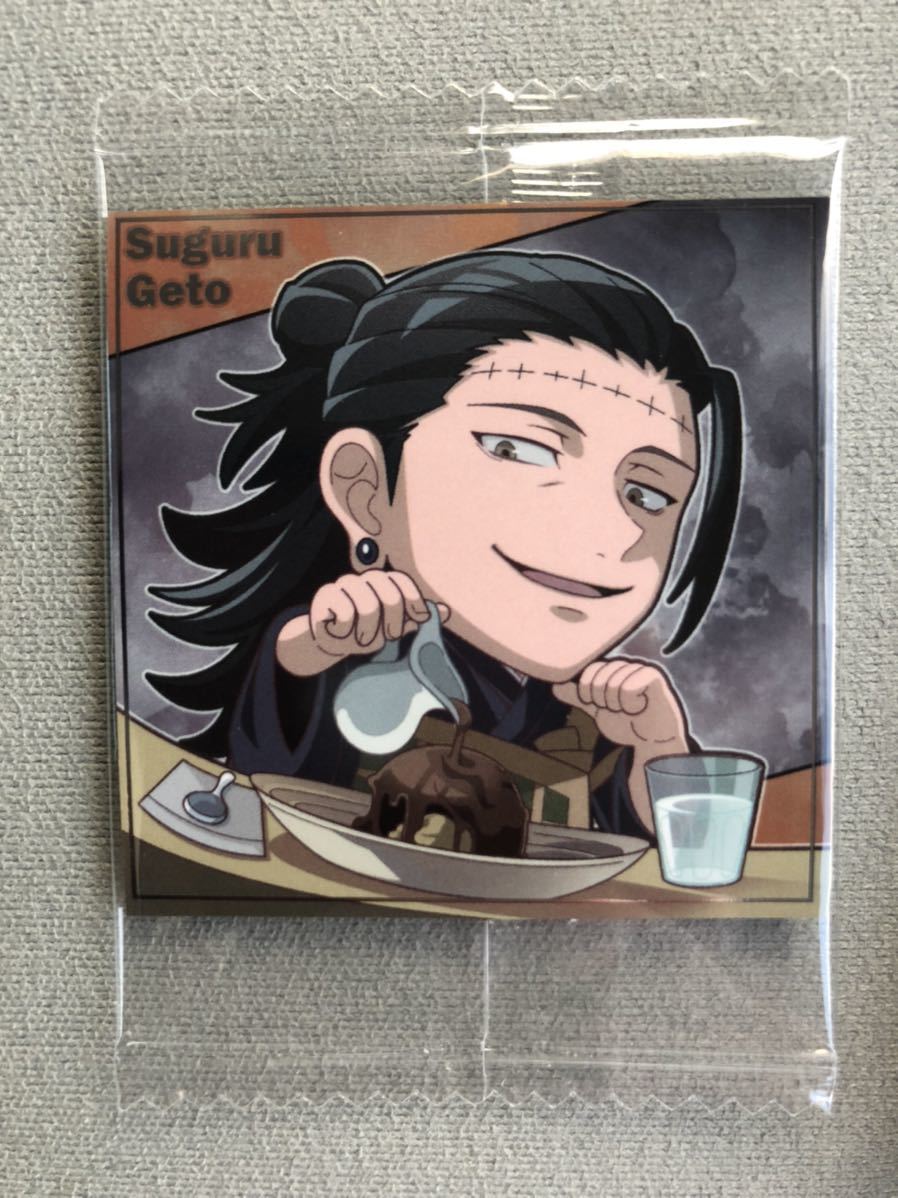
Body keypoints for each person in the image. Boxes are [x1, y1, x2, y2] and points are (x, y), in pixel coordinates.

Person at [148, 250, 742, 840]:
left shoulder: (594, 717)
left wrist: (660, 750)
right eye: (517, 449)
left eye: (647, 494)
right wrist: (309, 653)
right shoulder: (349, 651)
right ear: (364, 489)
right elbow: (266, 795)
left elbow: (679, 866)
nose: (608, 529)